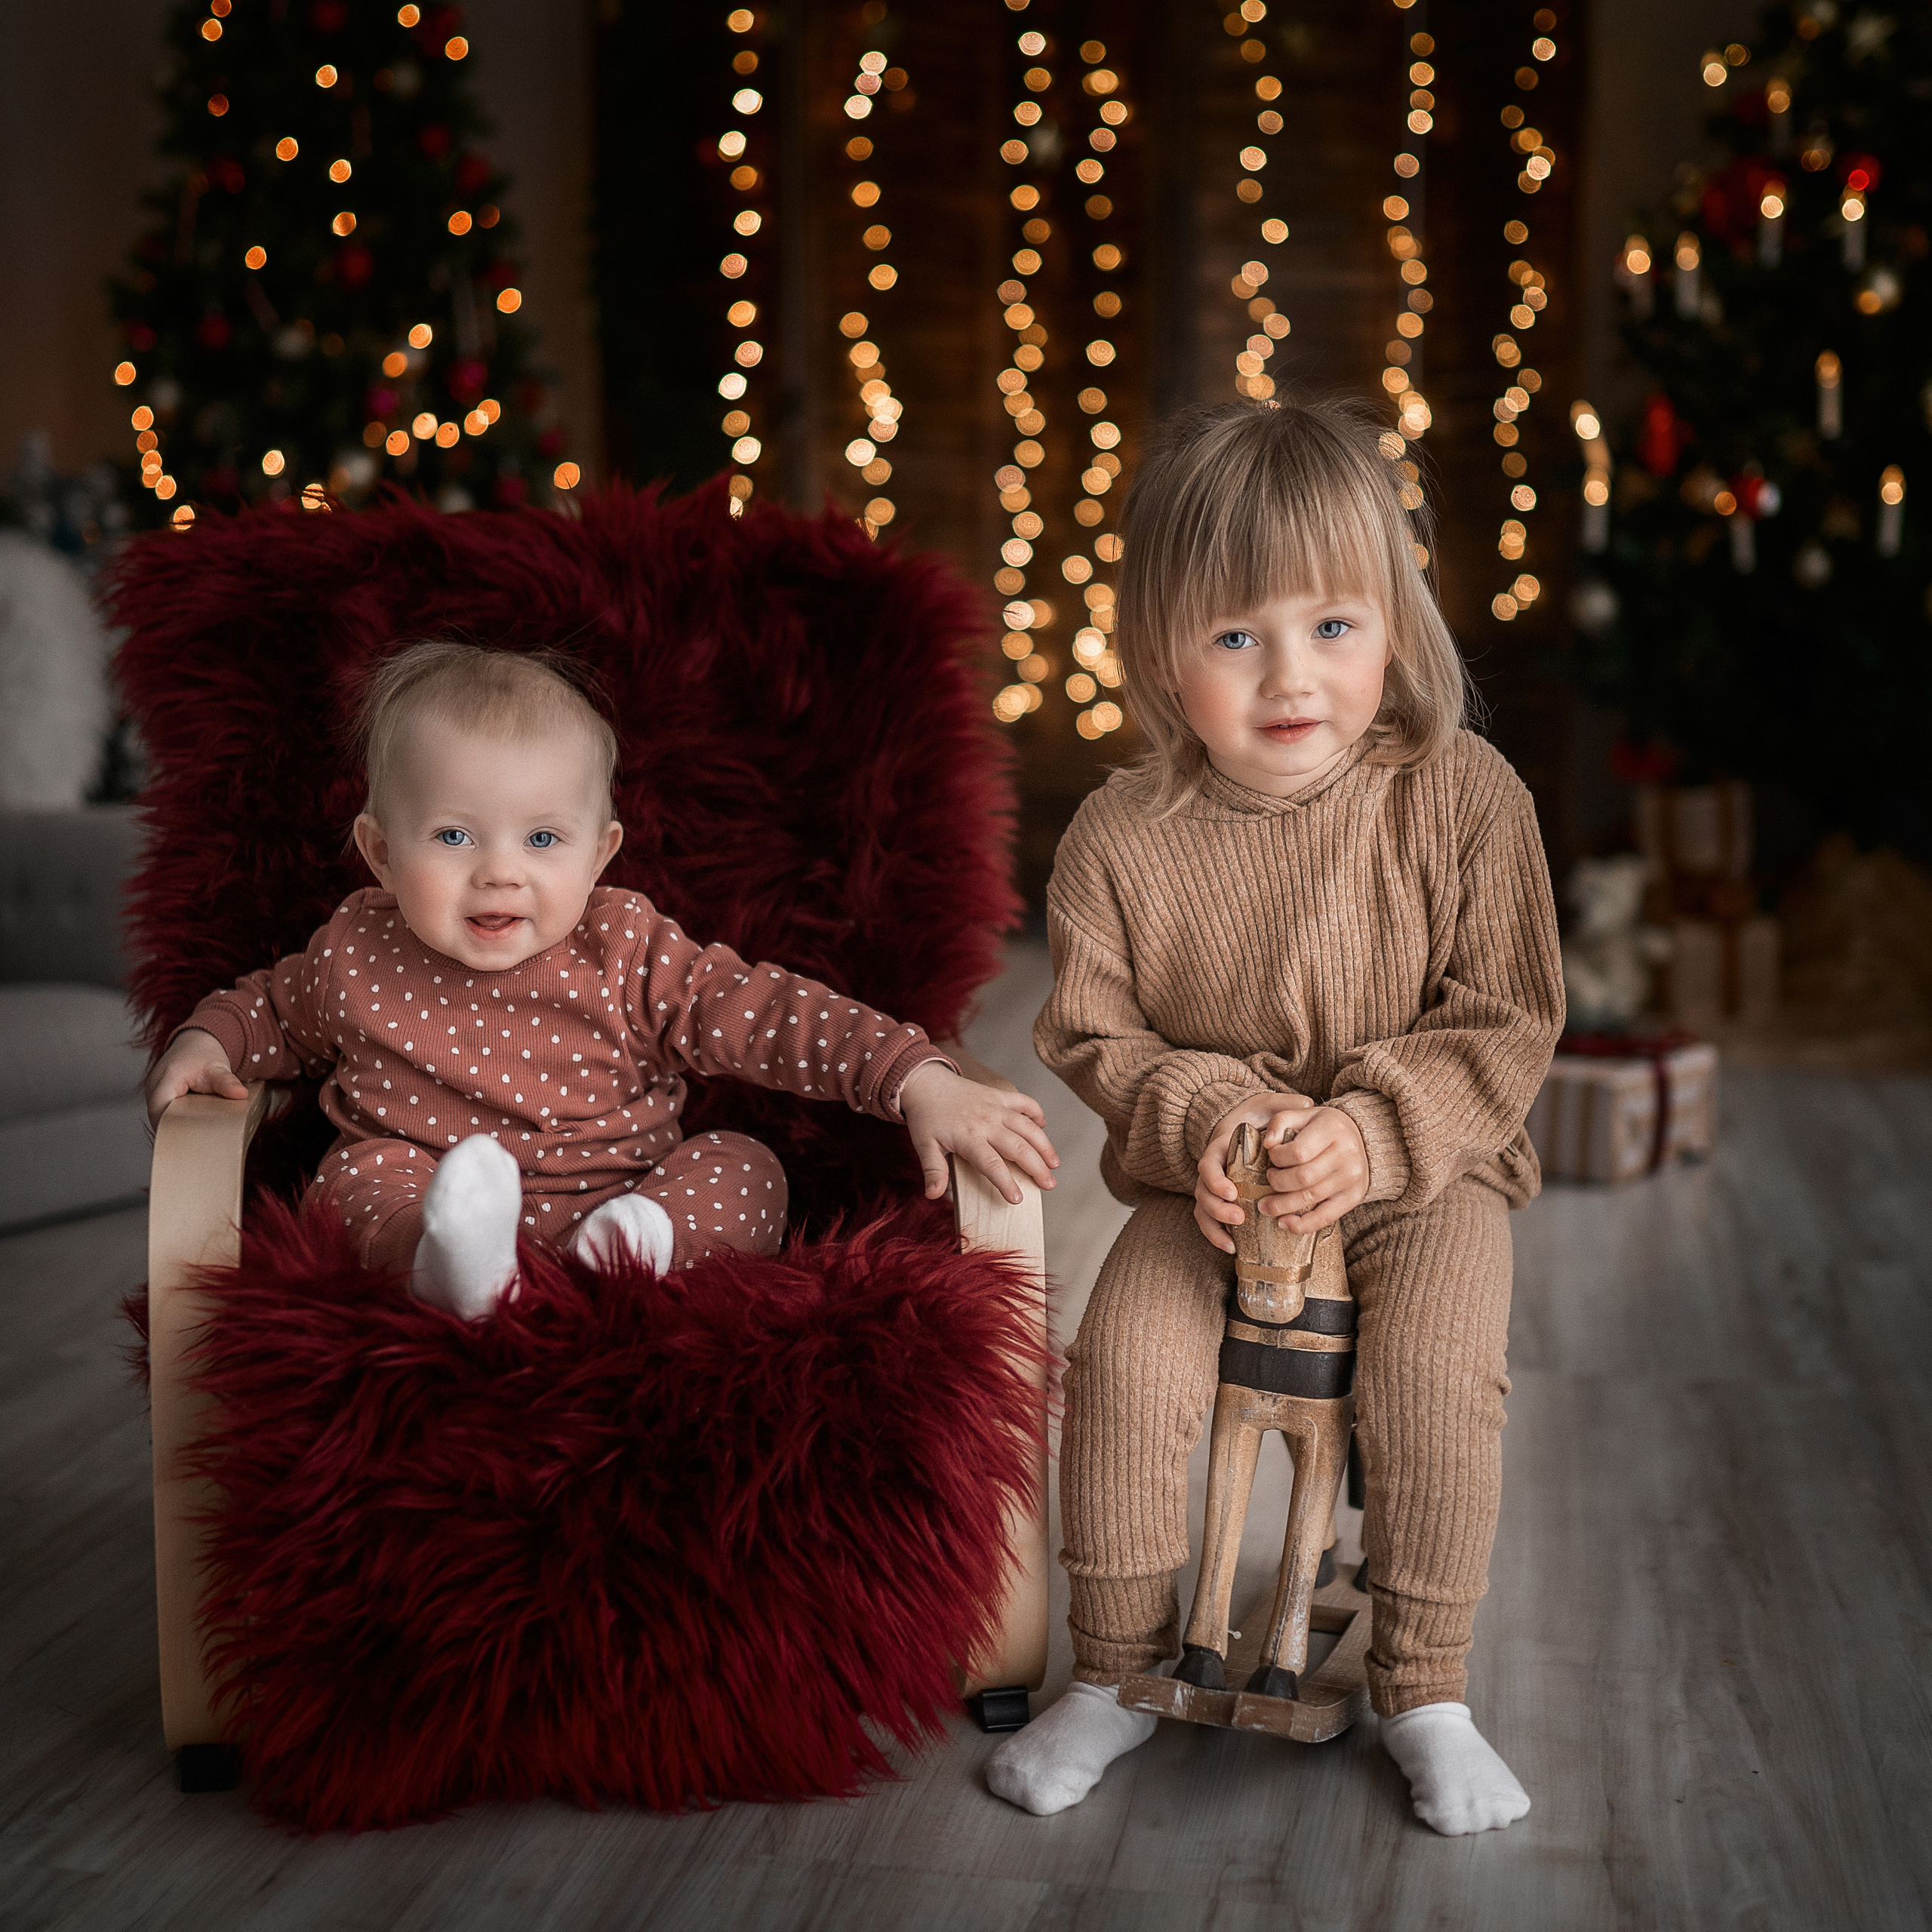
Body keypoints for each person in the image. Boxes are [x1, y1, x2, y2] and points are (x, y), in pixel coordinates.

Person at [987, 397, 1563, 1835]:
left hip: (1422, 1177)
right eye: (1236, 636)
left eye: (1332, 626)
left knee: (1434, 1377)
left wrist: (1375, 1126)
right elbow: (1094, 1035)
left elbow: (1509, 1017)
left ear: (1395, 623)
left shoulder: (1463, 796)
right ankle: (1114, 1673)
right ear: (1164, 650)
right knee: (1121, 1362)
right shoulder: (1123, 837)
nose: (1290, 674)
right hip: (1219, 1186)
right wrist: (1211, 1121)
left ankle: (1425, 1686)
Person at [143, 639, 1058, 1318]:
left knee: (744, 1167)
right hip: (426, 1186)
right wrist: (206, 1037)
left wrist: (915, 1076)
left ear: (599, 854)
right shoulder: (353, 952)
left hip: (619, 1192)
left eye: (542, 839)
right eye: (454, 835)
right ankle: (449, 1262)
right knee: (349, 1182)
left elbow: (777, 1015)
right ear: (380, 854)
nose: (500, 872)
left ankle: (633, 1250)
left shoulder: (626, 947)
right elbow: (269, 1005)